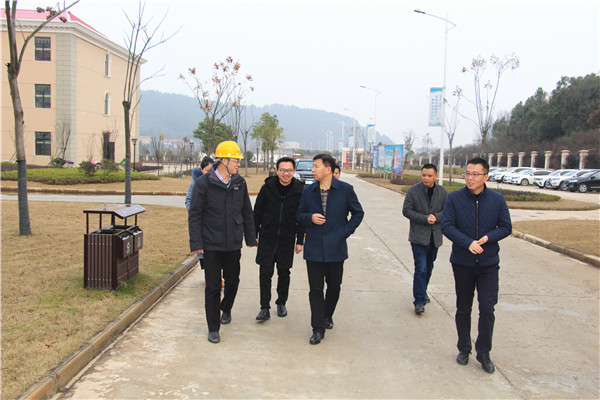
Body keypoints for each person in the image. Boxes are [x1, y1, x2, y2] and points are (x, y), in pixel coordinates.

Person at [441, 157, 512, 374]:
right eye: (467, 174)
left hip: (488, 263)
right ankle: (464, 348)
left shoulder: (497, 200)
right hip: (462, 262)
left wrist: (488, 238)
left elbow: (506, 227)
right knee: (464, 308)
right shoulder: (454, 198)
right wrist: (467, 243)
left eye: (475, 174)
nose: (470, 178)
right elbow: (447, 226)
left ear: (486, 177)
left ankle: (484, 353)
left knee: (487, 308)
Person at [188, 141, 257, 344]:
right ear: (224, 160)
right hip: (211, 243)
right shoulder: (203, 183)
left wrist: (250, 237)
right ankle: (213, 328)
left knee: (233, 281)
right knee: (212, 286)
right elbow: (195, 214)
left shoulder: (239, 182)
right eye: (236, 160)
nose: (238, 164)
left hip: (233, 242)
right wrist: (196, 242)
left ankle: (226, 308)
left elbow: (247, 211)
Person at [296, 154, 364, 345]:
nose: (313, 170)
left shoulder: (345, 190)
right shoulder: (308, 191)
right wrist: (310, 218)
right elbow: (299, 214)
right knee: (315, 290)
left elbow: (358, 213)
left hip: (336, 247)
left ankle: (327, 315)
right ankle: (318, 328)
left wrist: (344, 232)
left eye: (316, 166)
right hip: (314, 248)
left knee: (334, 287)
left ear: (328, 169)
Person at [253, 157, 305, 321]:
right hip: (267, 237)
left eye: (289, 170)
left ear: (294, 171)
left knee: (284, 272)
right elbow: (257, 212)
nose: (286, 174)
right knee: (265, 272)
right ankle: (264, 307)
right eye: (282, 170)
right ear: (276, 171)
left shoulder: (299, 190)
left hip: (287, 238)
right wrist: (254, 234)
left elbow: (302, 218)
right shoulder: (267, 188)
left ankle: (281, 302)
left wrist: (300, 241)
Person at [402, 163, 447, 315]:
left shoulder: (442, 192)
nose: (426, 178)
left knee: (429, 267)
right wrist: (424, 218)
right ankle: (419, 301)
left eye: (429, 176)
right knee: (420, 269)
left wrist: (436, 217)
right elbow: (406, 210)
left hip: (435, 237)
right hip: (418, 237)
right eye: (424, 175)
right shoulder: (413, 191)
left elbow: (447, 211)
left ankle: (423, 290)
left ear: (436, 176)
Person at [186, 157, 214, 269]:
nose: (209, 173)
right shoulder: (195, 184)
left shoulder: (216, 182)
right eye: (207, 171)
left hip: (213, 224)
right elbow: (188, 201)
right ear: (201, 170)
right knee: (205, 257)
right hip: (202, 223)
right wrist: (196, 212)